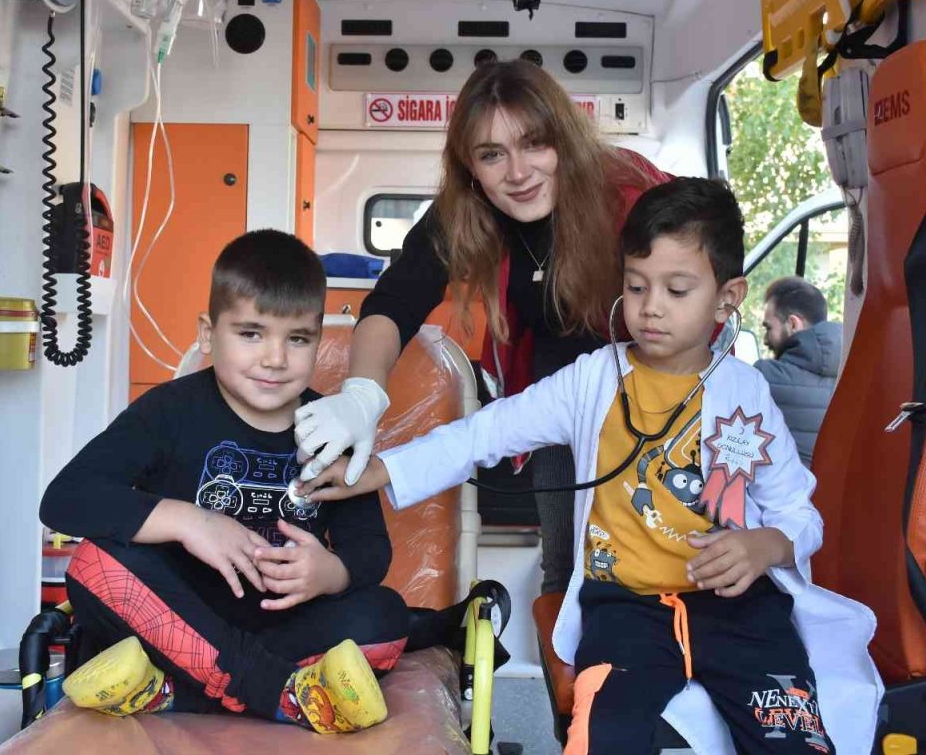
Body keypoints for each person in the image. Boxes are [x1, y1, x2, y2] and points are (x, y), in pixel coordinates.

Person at [297, 178, 881, 754]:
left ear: (728, 299)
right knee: (605, 737)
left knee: (794, 742)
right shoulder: (592, 380)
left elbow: (800, 515)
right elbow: (485, 432)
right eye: (636, 286)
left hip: (740, 610)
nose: (650, 309)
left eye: (677, 290)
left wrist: (768, 546)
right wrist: (384, 471)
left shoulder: (747, 393)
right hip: (623, 610)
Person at [293, 58, 669, 595]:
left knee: (660, 561)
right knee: (566, 572)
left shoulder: (627, 192)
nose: (517, 173)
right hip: (556, 390)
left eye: (534, 144)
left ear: (564, 140)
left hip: (658, 387)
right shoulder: (466, 209)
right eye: (492, 154)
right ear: (470, 165)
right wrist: (361, 394)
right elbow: (393, 302)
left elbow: (700, 279)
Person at [39, 230, 408, 734]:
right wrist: (188, 520)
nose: (275, 359)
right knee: (95, 564)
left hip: (280, 625)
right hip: (172, 621)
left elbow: (371, 551)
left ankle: (174, 691)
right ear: (209, 334)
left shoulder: (331, 431)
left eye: (296, 338)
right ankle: (281, 693)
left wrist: (332, 573)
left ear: (318, 341)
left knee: (384, 615)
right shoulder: (169, 411)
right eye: (251, 334)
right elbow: (65, 499)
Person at [756, 276, 843, 465]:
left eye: (768, 328)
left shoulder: (762, 378)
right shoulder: (856, 375)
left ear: (793, 324)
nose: (765, 340)